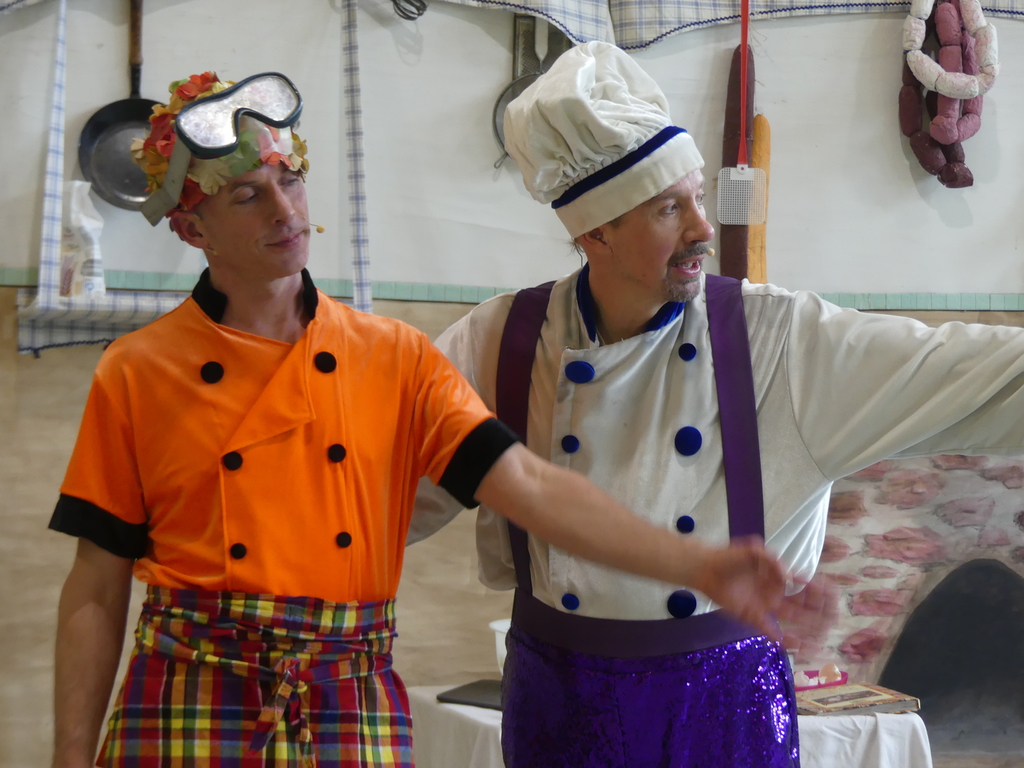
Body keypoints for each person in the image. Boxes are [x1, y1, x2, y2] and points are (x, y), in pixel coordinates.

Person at [48, 71, 791, 768]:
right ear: (191, 230)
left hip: (346, 693)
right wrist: (70, 757)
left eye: (290, 179)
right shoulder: (139, 369)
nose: (285, 211)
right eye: (246, 195)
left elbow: (532, 488)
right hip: (192, 689)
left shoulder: (392, 357)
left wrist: (696, 565)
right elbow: (96, 585)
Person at [410, 41, 1024, 767]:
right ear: (594, 230)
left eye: (697, 196)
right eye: (669, 208)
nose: (702, 228)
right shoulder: (499, 343)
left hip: (724, 709)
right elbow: (382, 497)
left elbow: (983, 375)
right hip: (556, 708)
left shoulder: (781, 343)